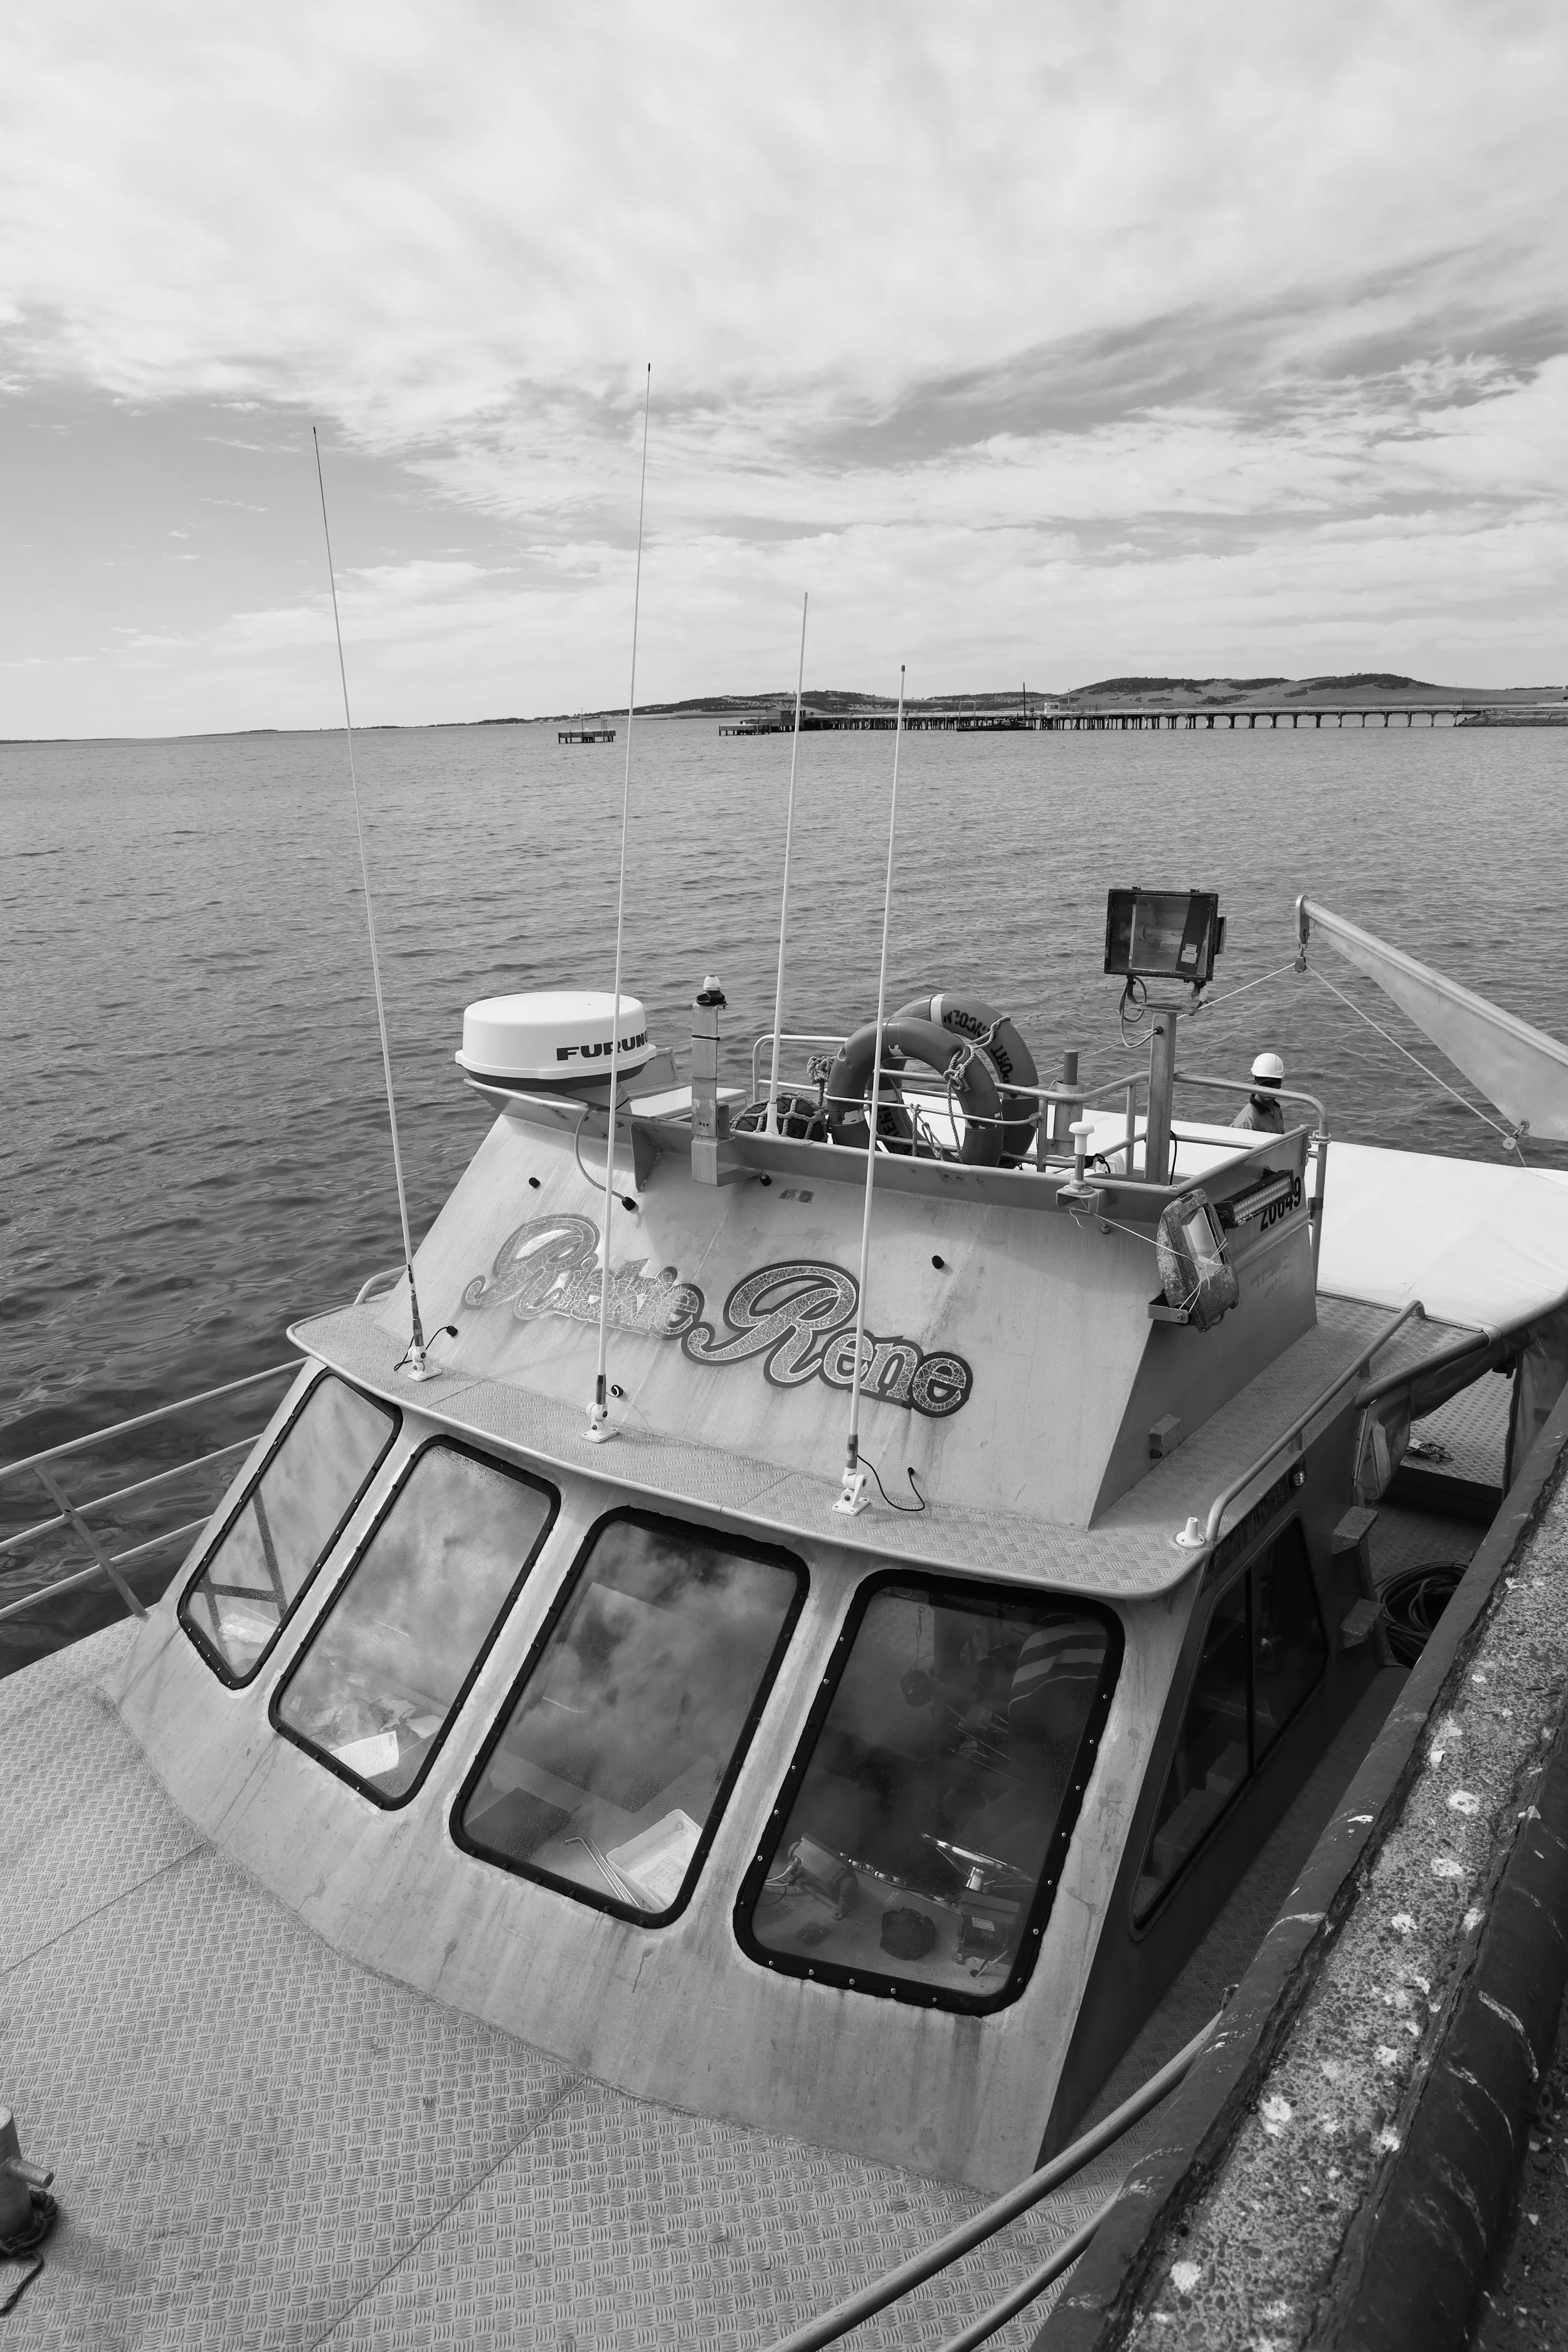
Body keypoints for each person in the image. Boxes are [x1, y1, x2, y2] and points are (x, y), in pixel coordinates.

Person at [1232, 1051, 1286, 1133]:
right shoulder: (1247, 1123)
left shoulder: (1276, 1110)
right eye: (1264, 1084)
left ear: (1280, 1084)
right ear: (1255, 1084)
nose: (1269, 1089)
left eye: (1273, 1084)